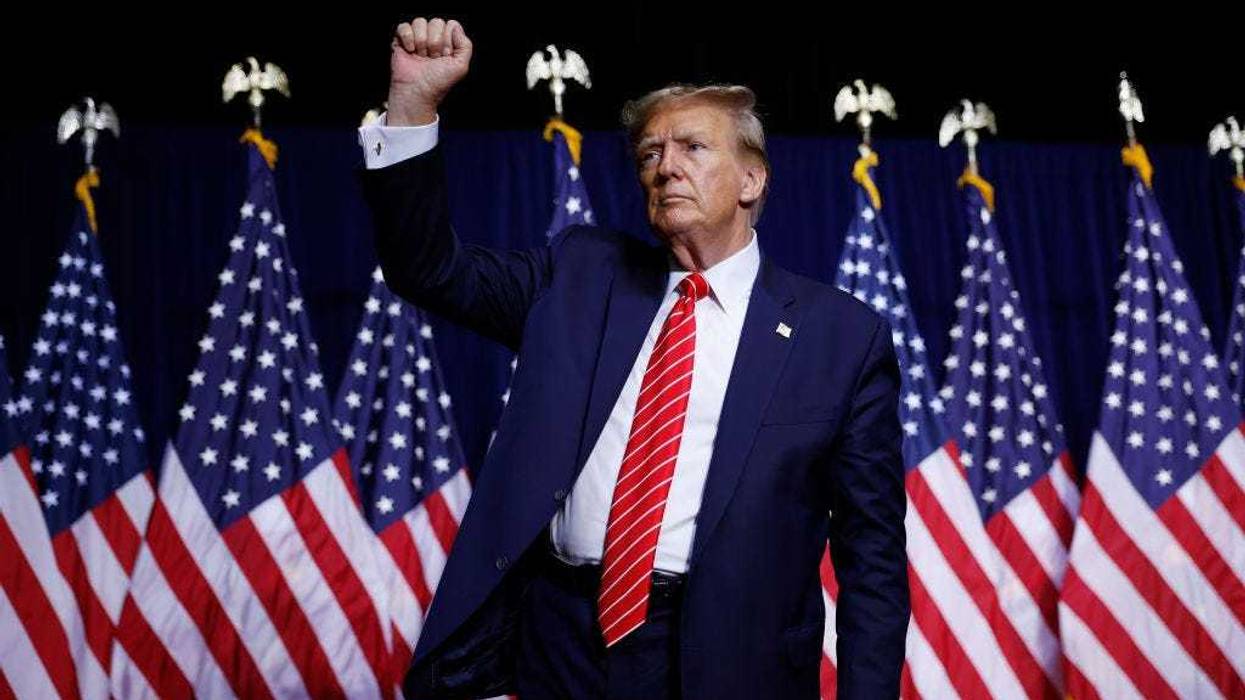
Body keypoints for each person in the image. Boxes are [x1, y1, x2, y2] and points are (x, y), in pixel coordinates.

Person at [358, 16, 908, 699]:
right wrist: (412, 108)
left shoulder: (840, 337)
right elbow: (427, 270)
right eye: (649, 154)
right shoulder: (578, 274)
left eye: (691, 148)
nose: (665, 166)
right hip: (559, 640)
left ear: (750, 179)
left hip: (731, 658)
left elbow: (872, 557)